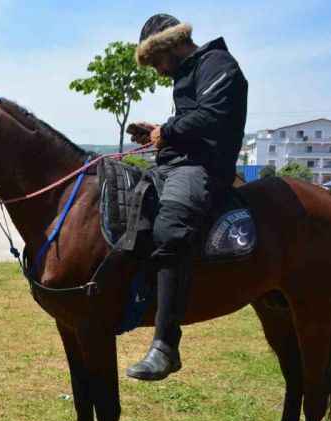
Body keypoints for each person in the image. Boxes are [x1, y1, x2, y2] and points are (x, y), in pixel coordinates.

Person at [124, 14, 248, 381]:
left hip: (204, 169)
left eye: (158, 61)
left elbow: (211, 117)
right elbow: (191, 122)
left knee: (170, 225)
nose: (159, 71)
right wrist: (157, 134)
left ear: (172, 45)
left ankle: (166, 346)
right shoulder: (189, 72)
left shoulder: (218, 64)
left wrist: (169, 130)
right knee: (133, 206)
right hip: (177, 163)